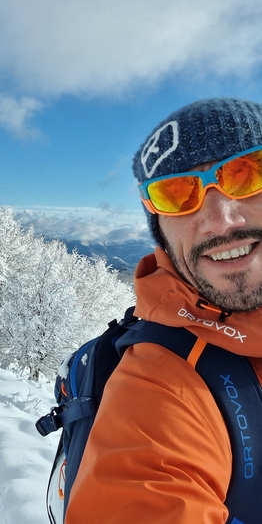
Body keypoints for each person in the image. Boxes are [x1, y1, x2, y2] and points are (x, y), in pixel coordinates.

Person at [65, 97, 262, 523]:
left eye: (246, 173)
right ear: (160, 230)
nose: (219, 218)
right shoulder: (159, 383)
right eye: (177, 194)